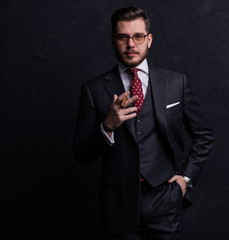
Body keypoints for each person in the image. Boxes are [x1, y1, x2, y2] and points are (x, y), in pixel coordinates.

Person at [73, 6, 213, 240]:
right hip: (118, 205)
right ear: (113, 40)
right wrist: (107, 126)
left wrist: (185, 180)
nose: (131, 44)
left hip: (165, 199)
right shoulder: (94, 89)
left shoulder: (176, 82)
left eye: (138, 36)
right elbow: (80, 153)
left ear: (149, 40)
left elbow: (204, 135)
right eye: (123, 37)